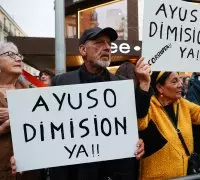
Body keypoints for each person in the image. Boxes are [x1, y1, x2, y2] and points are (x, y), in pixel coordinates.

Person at [49, 27, 145, 180]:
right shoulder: (61, 82)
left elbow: (132, 120)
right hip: (77, 171)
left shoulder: (122, 84)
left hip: (115, 171)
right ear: (83, 50)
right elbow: (48, 129)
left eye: (109, 44)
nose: (107, 47)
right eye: (99, 43)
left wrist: (136, 140)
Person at [136, 66, 200, 179]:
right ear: (160, 87)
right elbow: (140, 123)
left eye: (180, 79)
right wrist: (144, 85)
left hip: (185, 176)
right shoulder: (149, 107)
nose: (181, 84)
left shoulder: (182, 104)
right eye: (174, 81)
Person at [0, 41, 42, 180]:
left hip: (30, 171)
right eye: (10, 54)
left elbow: (48, 123)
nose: (18, 58)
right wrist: (2, 129)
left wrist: (17, 114)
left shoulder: (31, 91)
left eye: (18, 55)